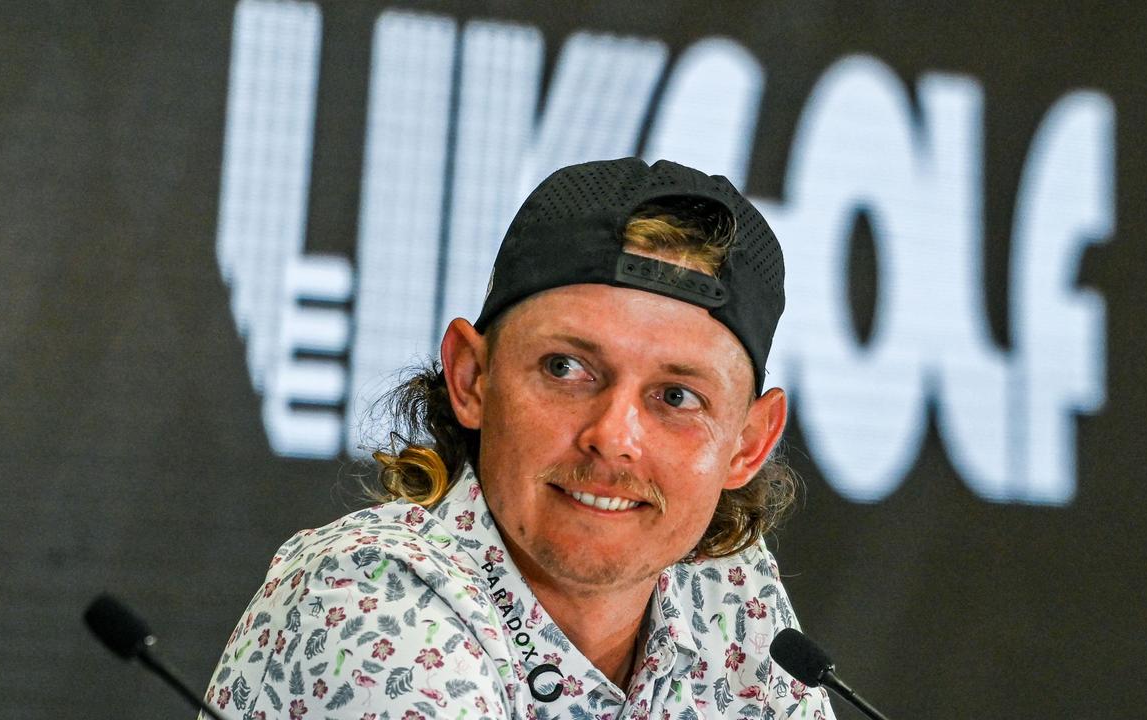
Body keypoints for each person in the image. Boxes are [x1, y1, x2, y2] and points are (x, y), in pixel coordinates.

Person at [202, 157, 835, 719]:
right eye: (566, 368)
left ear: (749, 443)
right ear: (473, 379)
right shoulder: (367, 592)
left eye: (676, 397)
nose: (613, 437)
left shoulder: (731, 596)